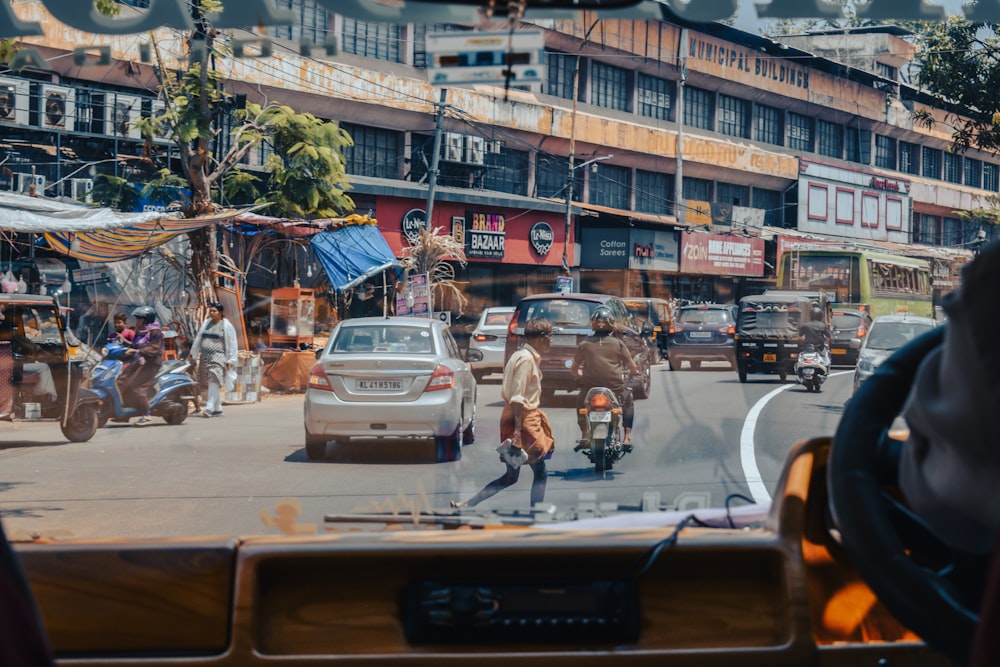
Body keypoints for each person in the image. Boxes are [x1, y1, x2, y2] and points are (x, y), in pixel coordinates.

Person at [451, 318, 555, 509]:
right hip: (523, 422)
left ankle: (467, 504)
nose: (551, 341)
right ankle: (537, 512)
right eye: (550, 337)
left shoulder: (521, 355)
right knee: (540, 472)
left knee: (511, 476)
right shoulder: (525, 359)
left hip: (514, 420)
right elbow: (517, 398)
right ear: (541, 338)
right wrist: (517, 435)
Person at [571, 305, 639, 449]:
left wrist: (579, 377)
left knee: (580, 402)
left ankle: (584, 434)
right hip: (615, 387)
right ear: (611, 325)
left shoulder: (585, 344)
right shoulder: (619, 344)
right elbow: (632, 366)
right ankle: (627, 437)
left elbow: (574, 368)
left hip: (590, 387)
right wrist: (634, 373)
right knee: (628, 400)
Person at [189, 301, 238, 418]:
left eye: (214, 311)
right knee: (208, 381)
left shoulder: (226, 325)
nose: (211, 313)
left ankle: (209, 407)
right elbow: (198, 339)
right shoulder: (206, 323)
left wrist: (231, 359)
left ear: (220, 313)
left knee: (213, 380)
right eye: (210, 311)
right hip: (204, 357)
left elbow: (232, 343)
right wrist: (193, 354)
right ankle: (217, 408)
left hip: (218, 356)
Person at [118, 306, 164, 427]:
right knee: (122, 382)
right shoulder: (139, 330)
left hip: (151, 364)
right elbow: (134, 345)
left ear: (146, 320)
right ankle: (125, 414)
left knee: (139, 388)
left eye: (139, 319)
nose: (137, 321)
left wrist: (139, 351)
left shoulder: (155, 332)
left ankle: (146, 415)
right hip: (138, 362)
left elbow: (154, 348)